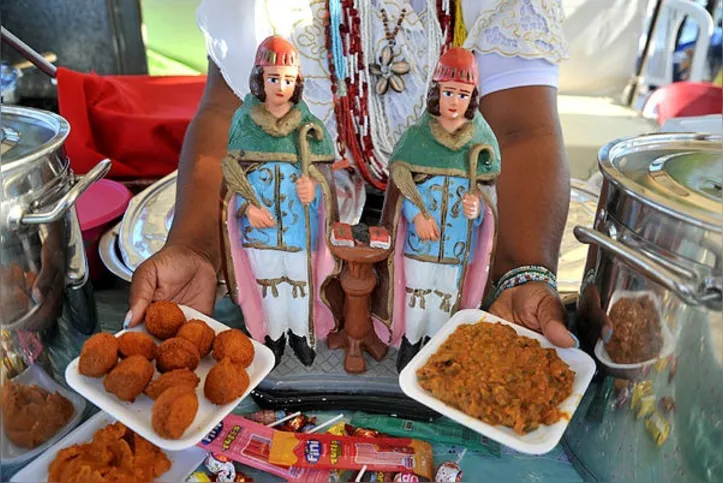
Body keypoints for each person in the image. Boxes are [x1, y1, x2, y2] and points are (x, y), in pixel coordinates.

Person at [126, 0, 578, 351]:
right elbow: (231, 113)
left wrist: (522, 272)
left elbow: (521, 131)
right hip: (295, 221)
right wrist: (194, 244)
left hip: (452, 230)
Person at [372, 47, 501, 370]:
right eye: (448, 92)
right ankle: (411, 344)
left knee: (445, 297)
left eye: (462, 93)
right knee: (417, 295)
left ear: (472, 96)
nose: (454, 101)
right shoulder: (417, 137)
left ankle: (439, 347)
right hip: (420, 242)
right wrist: (415, 214)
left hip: (456, 245)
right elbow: (401, 185)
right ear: (437, 93)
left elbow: (488, 193)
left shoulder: (482, 141)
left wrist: (479, 210)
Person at [221, 36, 339, 366]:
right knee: (270, 286)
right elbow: (230, 174)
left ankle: (300, 334)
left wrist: (315, 191)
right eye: (274, 78)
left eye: (288, 80)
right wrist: (248, 206)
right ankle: (273, 336)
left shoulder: (310, 127)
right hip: (260, 232)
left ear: (297, 83)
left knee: (300, 284)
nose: (280, 86)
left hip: (299, 230)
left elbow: (326, 178)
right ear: (260, 79)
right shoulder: (244, 122)